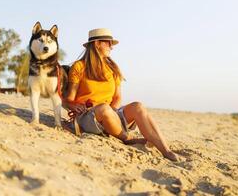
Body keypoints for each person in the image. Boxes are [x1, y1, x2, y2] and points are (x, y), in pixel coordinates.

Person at [64, 28, 182, 161]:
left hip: (110, 114)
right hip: (89, 116)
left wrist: (113, 112)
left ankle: (166, 150)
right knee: (104, 109)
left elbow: (118, 97)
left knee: (138, 106)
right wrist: (73, 106)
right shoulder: (79, 67)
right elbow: (68, 99)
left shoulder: (112, 69)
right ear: (97, 44)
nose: (111, 47)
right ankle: (127, 138)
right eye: (108, 43)